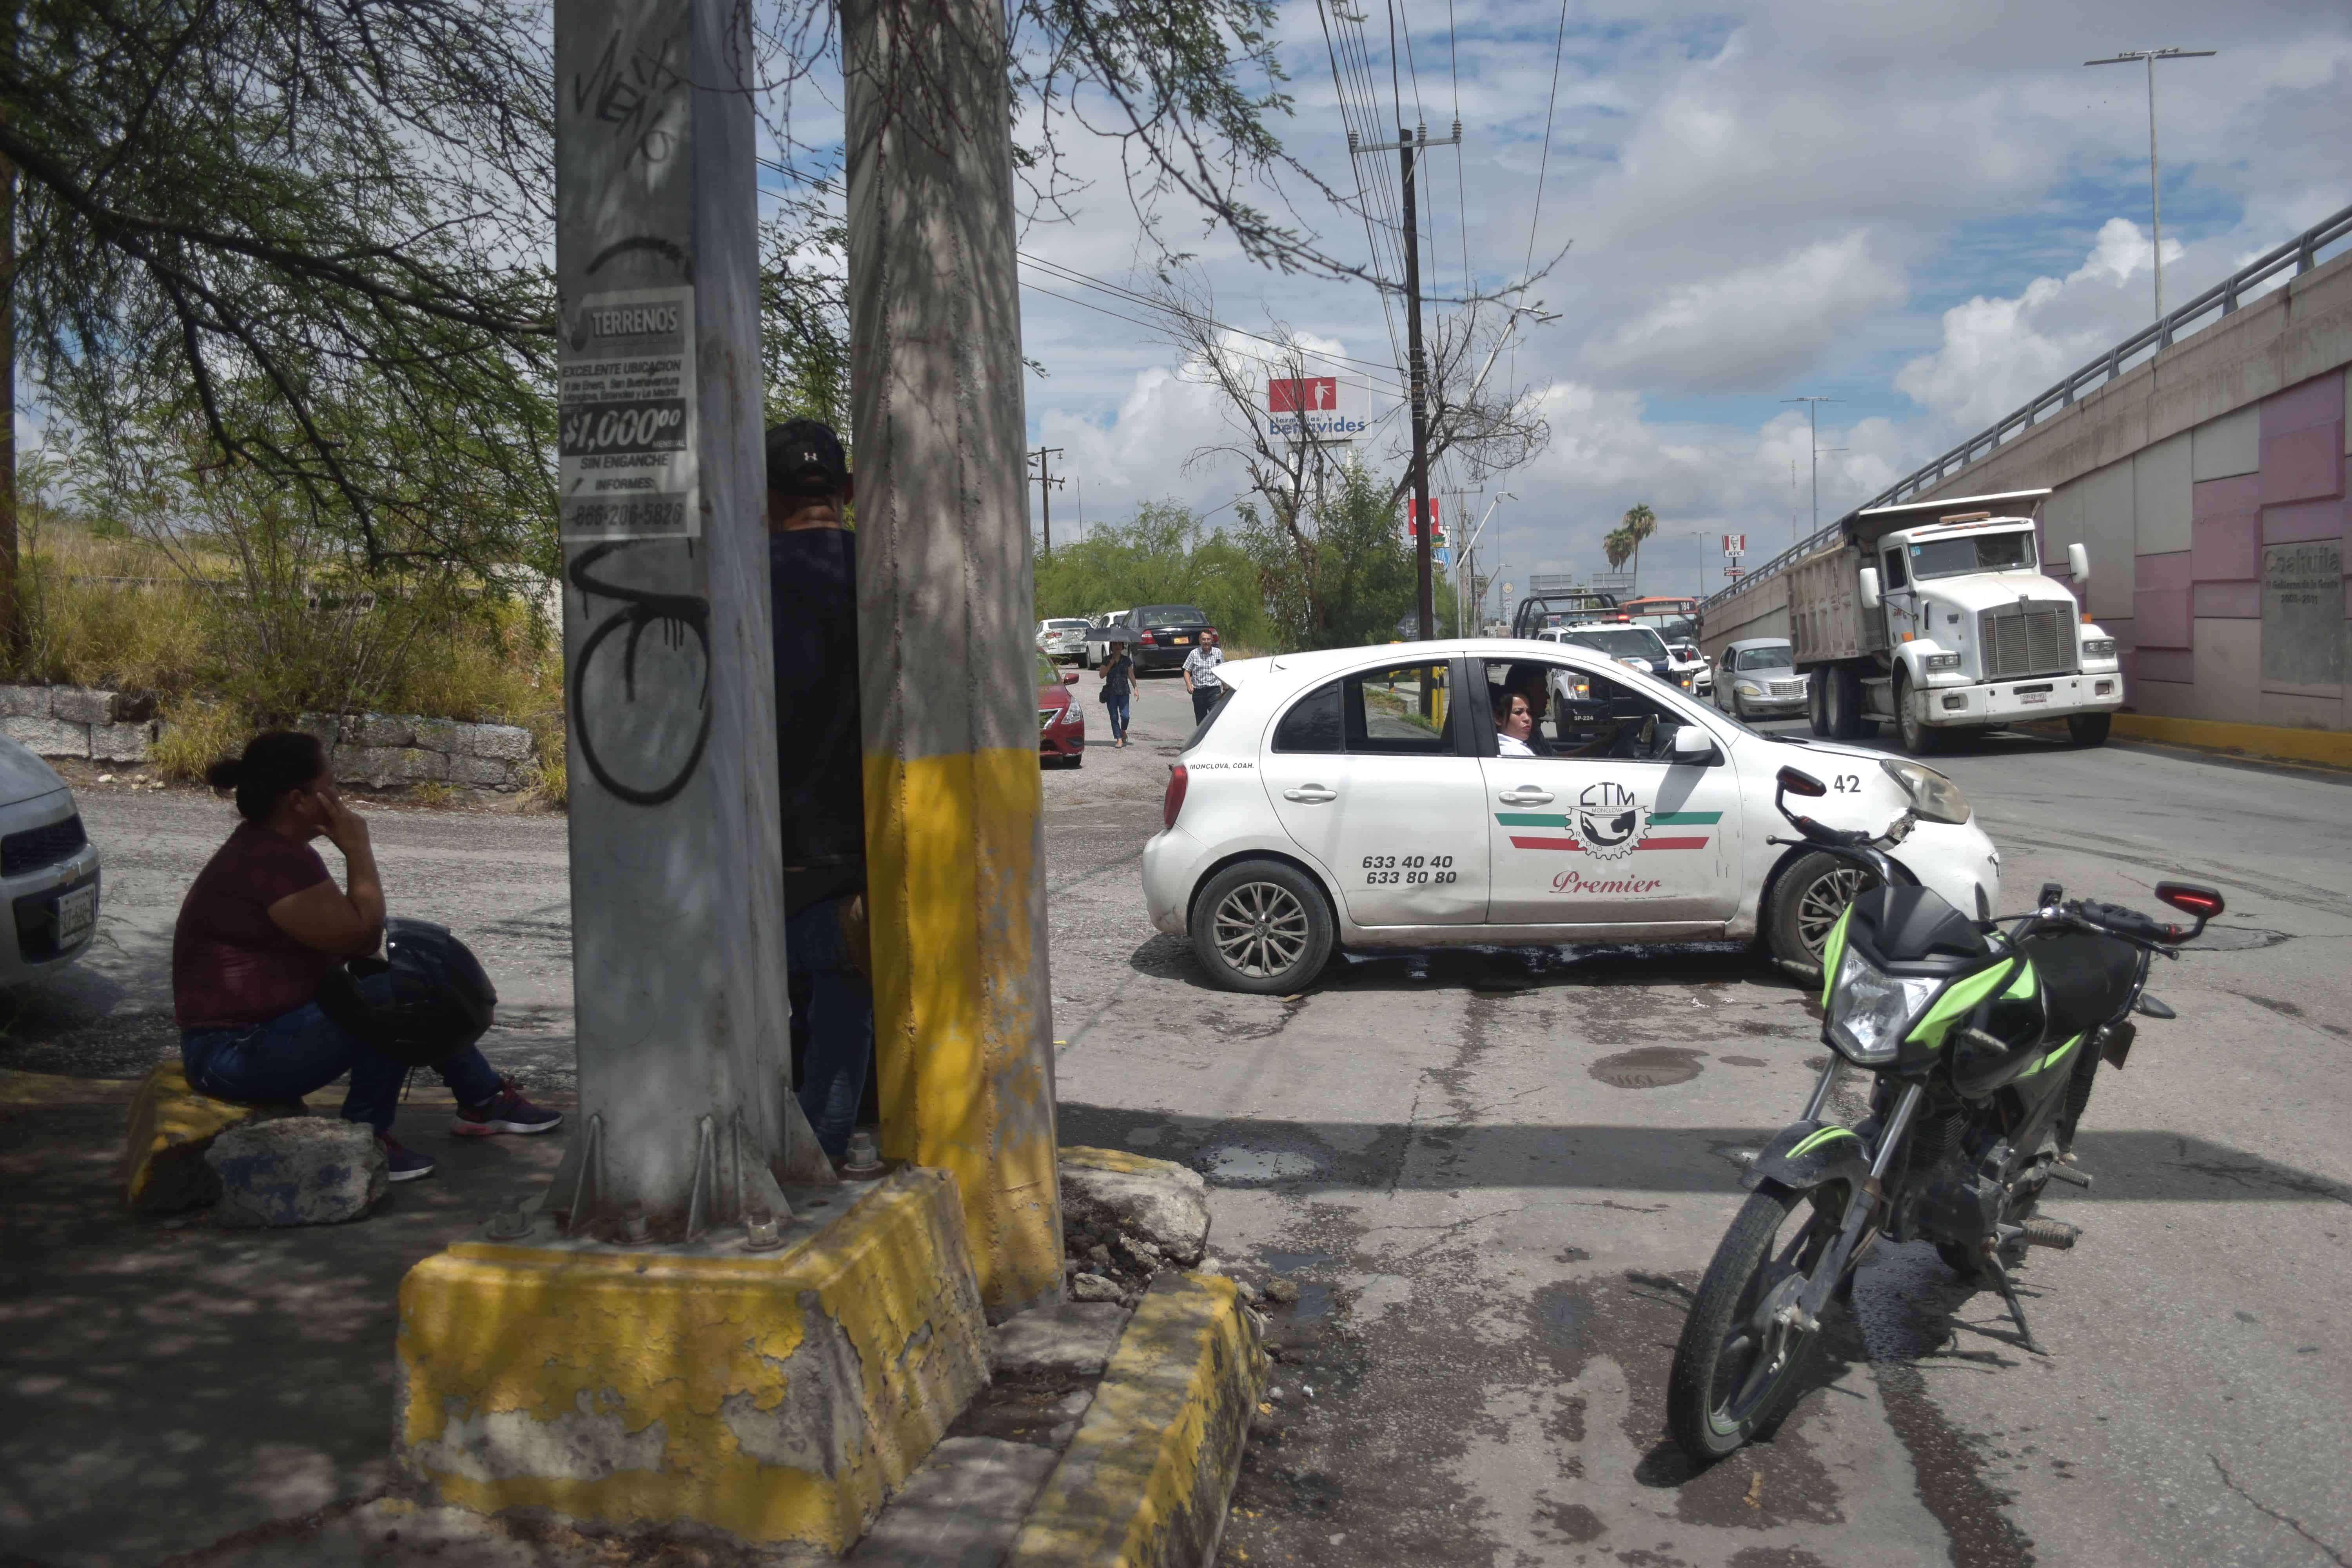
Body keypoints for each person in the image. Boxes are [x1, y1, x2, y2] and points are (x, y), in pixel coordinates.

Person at [173, 732, 559, 1182]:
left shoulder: (275, 851)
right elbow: (361, 936)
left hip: (255, 1040)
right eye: (330, 786)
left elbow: (353, 943)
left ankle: (482, 1099)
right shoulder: (270, 863)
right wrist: (358, 848)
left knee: (407, 980)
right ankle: (365, 1138)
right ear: (299, 800)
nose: (338, 797)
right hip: (230, 1055)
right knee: (390, 1002)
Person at [767, 418, 873, 1164]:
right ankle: (821, 1156)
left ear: (761, 498)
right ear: (847, 492)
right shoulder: (884, 578)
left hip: (765, 841)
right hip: (861, 843)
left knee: (790, 985)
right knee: (841, 985)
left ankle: (797, 1151)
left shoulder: (738, 583)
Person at [1098, 635, 1137, 748]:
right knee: (1114, 717)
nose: (1117, 647)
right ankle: (1119, 739)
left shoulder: (1126, 660)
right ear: (1112, 646)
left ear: (1122, 647)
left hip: (1124, 691)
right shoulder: (1106, 660)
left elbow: (1131, 675)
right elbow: (1102, 675)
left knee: (1126, 716)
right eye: (1115, 644)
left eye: (1119, 644)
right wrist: (1110, 665)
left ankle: (1123, 730)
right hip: (1111, 693)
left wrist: (1136, 688)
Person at [1182, 628, 1225, 724]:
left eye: (1208, 639)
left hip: (1214, 691)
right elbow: (1187, 671)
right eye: (1204, 639)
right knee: (1201, 723)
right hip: (1199, 693)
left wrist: (1226, 687)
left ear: (1212, 640)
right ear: (1200, 640)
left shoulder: (1218, 653)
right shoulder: (1194, 654)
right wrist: (1189, 685)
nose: (1206, 642)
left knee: (1216, 720)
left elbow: (1222, 670)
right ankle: (1203, 739)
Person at [1493, 688, 1539, 757]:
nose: (1527, 718)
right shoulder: (1514, 752)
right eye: (1518, 712)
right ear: (1498, 719)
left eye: (1529, 712)